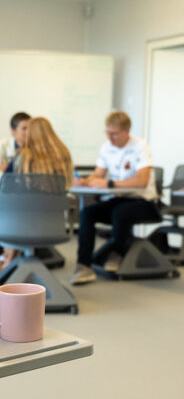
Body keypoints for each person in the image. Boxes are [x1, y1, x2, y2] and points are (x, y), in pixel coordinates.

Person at [71, 111, 159, 285]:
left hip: (144, 202)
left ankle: (116, 253)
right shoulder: (106, 147)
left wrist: (110, 183)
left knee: (120, 212)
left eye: (115, 134)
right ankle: (84, 265)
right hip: (119, 199)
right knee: (87, 213)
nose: (110, 138)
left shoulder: (140, 146)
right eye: (108, 133)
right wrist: (84, 181)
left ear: (127, 131)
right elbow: (98, 175)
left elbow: (142, 181)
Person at [0, 116, 74, 268]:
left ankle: (8, 260)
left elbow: (4, 186)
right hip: (55, 226)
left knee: (13, 208)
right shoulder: (64, 154)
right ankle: (10, 259)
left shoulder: (23, 155)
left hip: (20, 226)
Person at [0, 112, 31, 276]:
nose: (28, 132)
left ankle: (4, 255)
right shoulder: (3, 145)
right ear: (13, 130)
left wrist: (8, 171)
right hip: (2, 192)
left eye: (30, 128)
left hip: (22, 197)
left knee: (16, 209)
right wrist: (11, 177)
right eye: (24, 128)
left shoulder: (33, 149)